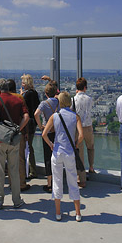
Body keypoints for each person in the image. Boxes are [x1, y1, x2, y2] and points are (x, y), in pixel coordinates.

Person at [42, 92, 84, 222]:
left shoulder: (54, 116)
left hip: (57, 152)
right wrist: (76, 144)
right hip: (69, 152)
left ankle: (58, 213)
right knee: (72, 182)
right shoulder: (75, 117)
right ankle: (77, 213)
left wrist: (51, 144)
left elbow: (44, 134)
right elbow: (81, 135)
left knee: (57, 182)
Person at [0, 80, 29, 209]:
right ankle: (17, 200)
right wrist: (18, 129)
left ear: (0, 90)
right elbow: (26, 117)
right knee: (14, 170)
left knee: (0, 170)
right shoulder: (18, 100)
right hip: (13, 139)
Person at [7, 78, 31, 191]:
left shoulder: (2, 99)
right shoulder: (20, 98)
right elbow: (25, 116)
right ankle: (21, 183)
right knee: (20, 158)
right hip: (19, 131)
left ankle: (11, 183)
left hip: (6, 133)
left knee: (9, 159)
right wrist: (24, 131)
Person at [34, 83, 59, 193]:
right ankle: (57, 182)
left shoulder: (44, 103)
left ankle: (49, 183)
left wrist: (41, 126)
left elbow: (36, 114)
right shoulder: (59, 102)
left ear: (46, 93)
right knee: (57, 156)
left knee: (48, 157)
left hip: (47, 132)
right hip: (58, 131)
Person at [73, 77, 95, 187]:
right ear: (85, 87)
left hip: (78, 128)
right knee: (90, 147)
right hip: (88, 126)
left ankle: (81, 180)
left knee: (80, 153)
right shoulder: (89, 99)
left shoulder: (74, 100)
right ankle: (91, 167)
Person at [20, 74, 40, 180]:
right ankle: (32, 169)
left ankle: (30, 170)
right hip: (33, 123)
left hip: (28, 123)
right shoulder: (35, 93)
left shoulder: (27, 95)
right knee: (29, 146)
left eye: (23, 82)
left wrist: (21, 95)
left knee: (27, 146)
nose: (22, 85)